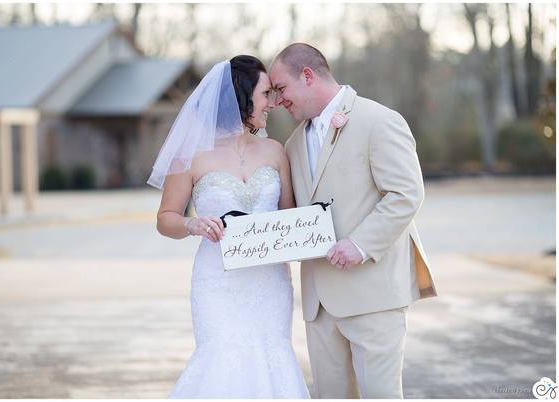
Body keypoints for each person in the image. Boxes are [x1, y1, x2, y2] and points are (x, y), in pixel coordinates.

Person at [268, 43, 437, 399]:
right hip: (318, 303)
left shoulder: (378, 120)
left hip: (373, 294)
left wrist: (360, 244)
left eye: (281, 89)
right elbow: (294, 216)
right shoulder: (294, 143)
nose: (278, 100)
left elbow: (406, 194)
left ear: (308, 76)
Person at [148, 55, 309, 398]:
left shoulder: (275, 152)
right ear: (242, 95)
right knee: (221, 359)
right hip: (217, 281)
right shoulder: (190, 156)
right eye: (266, 94)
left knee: (272, 357)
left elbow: (290, 217)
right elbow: (166, 219)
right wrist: (193, 224)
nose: (274, 102)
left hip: (270, 282)